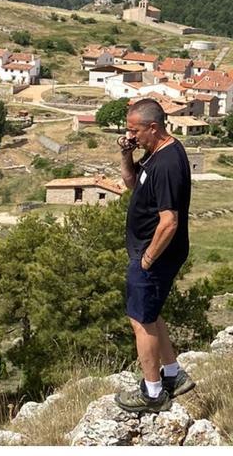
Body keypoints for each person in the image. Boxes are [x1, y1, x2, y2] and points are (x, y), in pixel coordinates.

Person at [114, 98, 195, 413]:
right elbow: (132, 182)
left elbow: (169, 222)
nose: (130, 135)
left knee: (140, 320)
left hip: (155, 255)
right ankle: (174, 375)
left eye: (134, 130)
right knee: (152, 311)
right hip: (149, 252)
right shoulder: (154, 153)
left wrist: (146, 261)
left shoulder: (167, 164)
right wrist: (126, 153)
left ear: (153, 127)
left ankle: (152, 393)